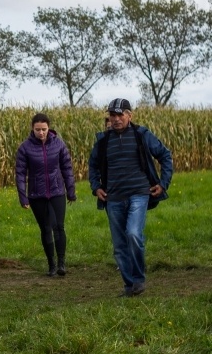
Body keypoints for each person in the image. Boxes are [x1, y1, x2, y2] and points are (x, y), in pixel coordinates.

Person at [89, 98, 173, 297]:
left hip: (139, 194)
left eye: (120, 115)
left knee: (133, 234)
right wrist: (96, 187)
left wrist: (163, 183)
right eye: (113, 115)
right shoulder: (102, 141)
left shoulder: (141, 135)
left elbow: (165, 155)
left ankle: (138, 278)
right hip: (113, 198)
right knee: (119, 246)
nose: (116, 119)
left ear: (129, 115)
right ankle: (130, 286)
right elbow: (92, 166)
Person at [14, 113, 77, 277]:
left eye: (44, 129)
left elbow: (67, 168)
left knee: (59, 226)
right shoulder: (25, 148)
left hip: (57, 191)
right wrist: (23, 197)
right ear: (32, 129)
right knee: (46, 229)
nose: (41, 133)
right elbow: (20, 174)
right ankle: (51, 265)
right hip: (37, 194)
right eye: (37, 130)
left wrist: (70, 191)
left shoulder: (58, 144)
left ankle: (62, 263)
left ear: (49, 128)